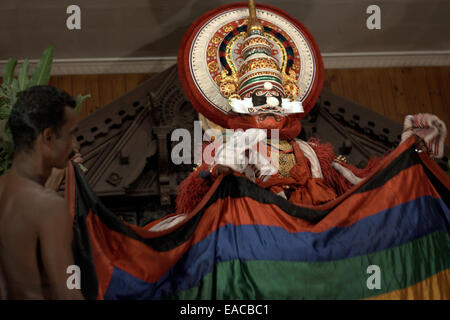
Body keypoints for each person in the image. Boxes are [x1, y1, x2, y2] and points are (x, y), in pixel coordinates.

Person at [0, 85, 84, 299]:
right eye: (71, 134)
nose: (74, 145)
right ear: (48, 137)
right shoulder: (47, 205)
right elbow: (68, 293)